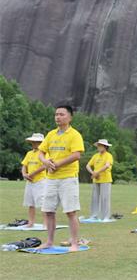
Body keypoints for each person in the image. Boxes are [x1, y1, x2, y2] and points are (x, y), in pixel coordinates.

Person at [38, 105, 84, 251]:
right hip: (51, 178)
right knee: (48, 211)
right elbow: (41, 152)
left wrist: (58, 163)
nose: (58, 117)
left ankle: (75, 243)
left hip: (68, 178)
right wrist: (45, 161)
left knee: (71, 211)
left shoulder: (74, 135)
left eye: (62, 114)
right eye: (56, 114)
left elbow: (76, 155)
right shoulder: (51, 134)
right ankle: (49, 241)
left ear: (70, 117)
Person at [21, 133, 47, 228]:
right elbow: (24, 165)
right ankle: (31, 222)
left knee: (43, 203)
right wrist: (24, 174)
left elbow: (44, 166)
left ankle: (45, 223)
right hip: (30, 182)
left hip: (40, 181)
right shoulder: (29, 153)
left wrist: (32, 174)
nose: (34, 144)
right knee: (30, 203)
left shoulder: (44, 153)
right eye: (33, 142)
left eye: (36, 142)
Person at [86, 139, 113, 220]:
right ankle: (94, 215)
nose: (98, 147)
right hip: (96, 180)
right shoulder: (95, 156)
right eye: (98, 145)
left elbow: (107, 165)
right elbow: (88, 165)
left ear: (105, 147)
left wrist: (97, 172)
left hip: (105, 179)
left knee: (105, 198)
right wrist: (93, 173)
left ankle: (106, 217)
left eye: (100, 145)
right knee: (94, 198)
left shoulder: (108, 155)